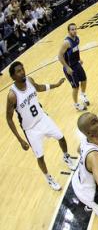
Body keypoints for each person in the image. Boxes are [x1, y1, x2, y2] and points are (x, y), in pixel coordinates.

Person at [6, 61, 75, 191]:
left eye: (22, 69)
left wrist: (56, 85)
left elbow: (40, 87)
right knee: (40, 156)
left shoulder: (30, 81)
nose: (22, 72)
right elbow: (9, 119)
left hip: (43, 118)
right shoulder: (12, 95)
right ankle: (48, 177)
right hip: (31, 130)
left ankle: (66, 157)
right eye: (18, 71)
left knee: (61, 137)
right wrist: (20, 140)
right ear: (13, 77)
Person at [58, 23, 89, 111]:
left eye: (75, 29)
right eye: (72, 29)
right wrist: (67, 67)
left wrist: (79, 59)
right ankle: (76, 104)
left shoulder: (77, 39)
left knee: (84, 79)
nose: (74, 31)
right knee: (75, 87)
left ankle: (83, 95)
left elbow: (75, 51)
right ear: (68, 31)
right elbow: (60, 56)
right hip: (69, 67)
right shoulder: (66, 42)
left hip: (76, 64)